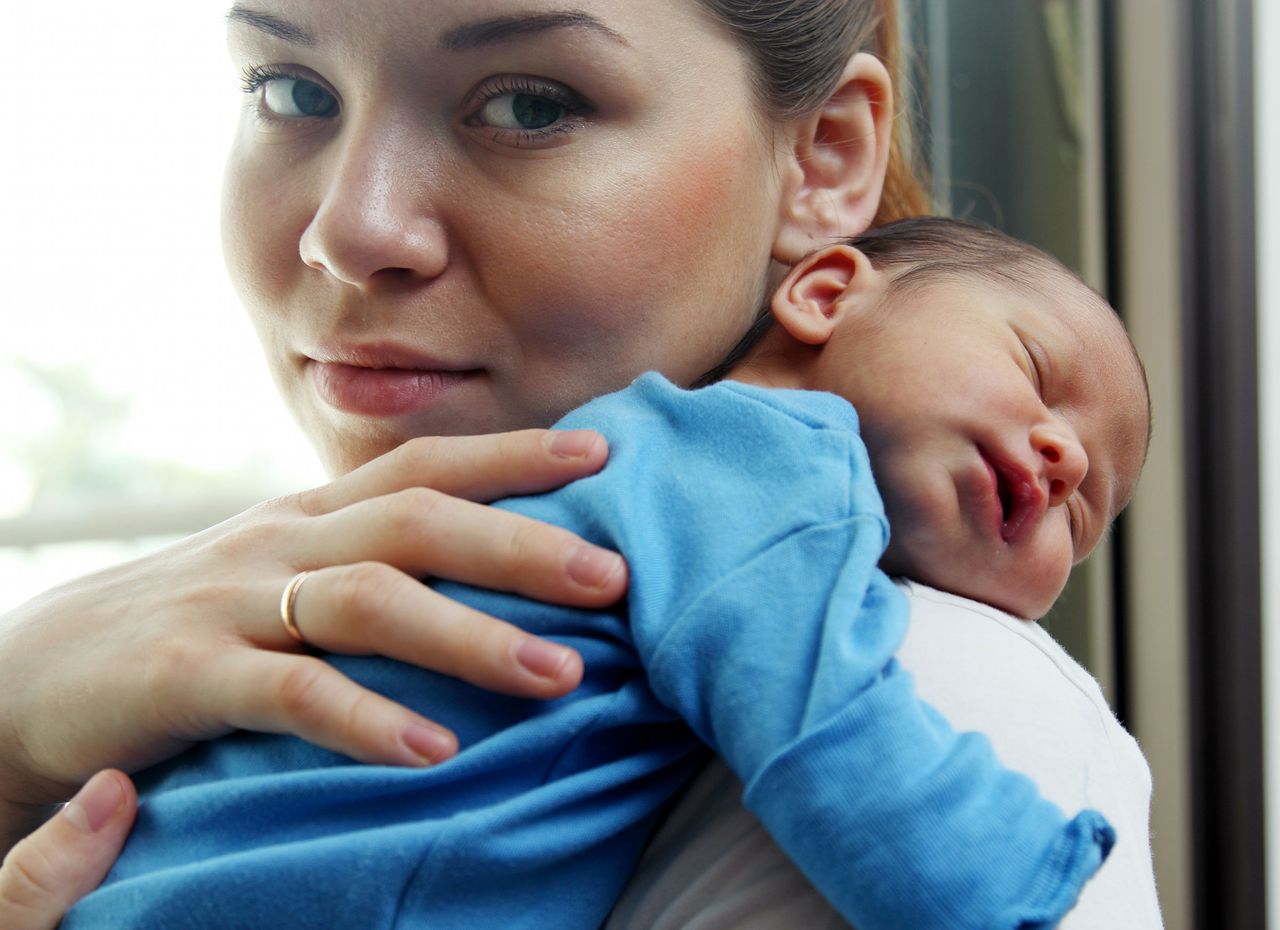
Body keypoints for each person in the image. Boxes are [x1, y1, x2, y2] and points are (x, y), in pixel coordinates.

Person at [0, 1, 1164, 927]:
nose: (349, 232)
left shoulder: (959, 702)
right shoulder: (166, 659)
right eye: (290, 88)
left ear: (821, 158)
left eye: (526, 103)